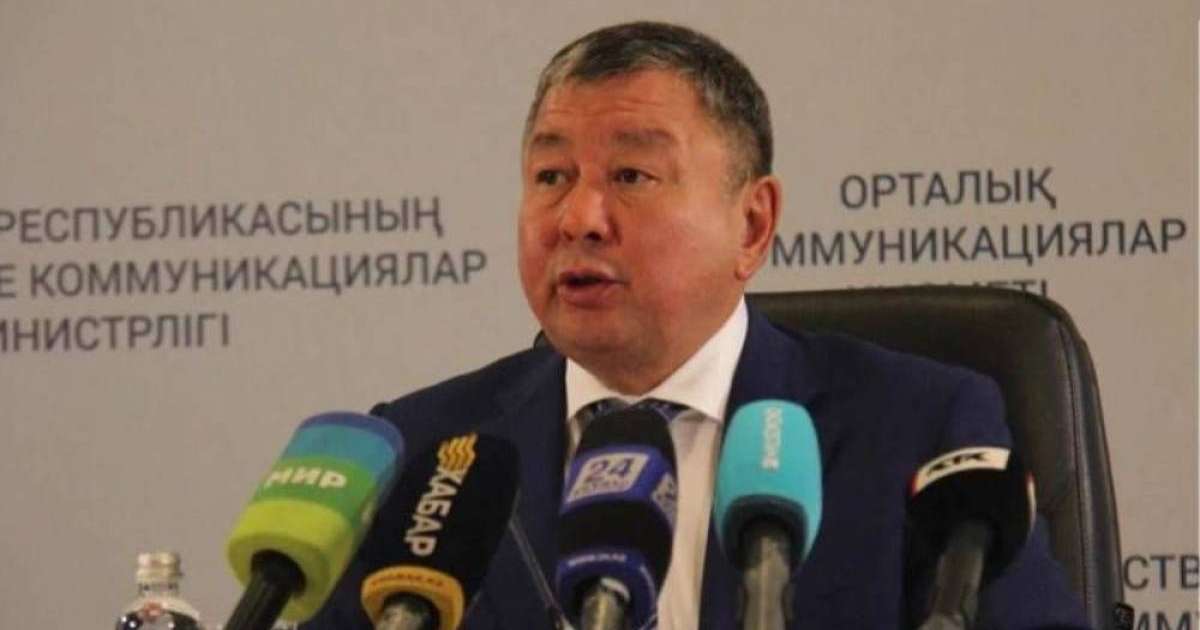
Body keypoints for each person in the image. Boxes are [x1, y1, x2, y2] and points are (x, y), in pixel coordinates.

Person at [304, 21, 1089, 629]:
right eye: (550, 175)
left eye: (631, 175)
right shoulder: (431, 455)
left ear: (752, 224)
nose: (578, 216)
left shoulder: (917, 426)